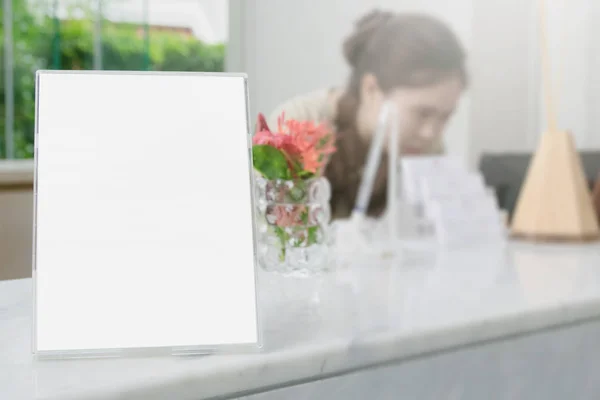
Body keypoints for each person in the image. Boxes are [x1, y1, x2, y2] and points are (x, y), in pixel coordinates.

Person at [268, 10, 468, 219]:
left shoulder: (427, 149)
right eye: (422, 114)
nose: (430, 133)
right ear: (371, 89)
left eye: (445, 116)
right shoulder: (299, 124)